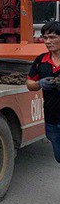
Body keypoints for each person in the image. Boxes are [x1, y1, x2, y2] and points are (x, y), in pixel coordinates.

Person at [26, 20, 60, 163]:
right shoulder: (41, 60)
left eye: (52, 37)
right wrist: (39, 83)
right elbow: (29, 83)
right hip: (52, 120)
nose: (47, 41)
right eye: (45, 38)